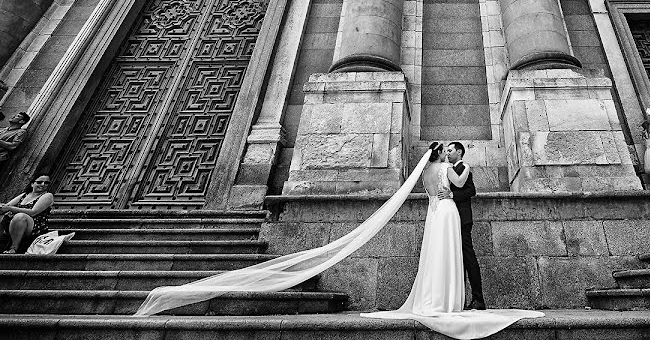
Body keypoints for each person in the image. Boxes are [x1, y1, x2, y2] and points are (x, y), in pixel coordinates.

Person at [134, 145, 543, 339]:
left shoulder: (427, 171)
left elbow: (441, 189)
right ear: (446, 153)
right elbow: (455, 186)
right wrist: (457, 171)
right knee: (445, 257)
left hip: (440, 214)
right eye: (450, 150)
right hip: (445, 212)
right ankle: (454, 300)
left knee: (440, 258)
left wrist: (448, 176)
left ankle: (450, 298)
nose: (453, 152)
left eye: (456, 151)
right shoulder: (455, 168)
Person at [438, 141, 485, 309]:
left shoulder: (464, 167)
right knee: (455, 259)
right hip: (450, 219)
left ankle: (478, 299)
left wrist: (451, 194)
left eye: (450, 150)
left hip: (462, 219)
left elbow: (471, 191)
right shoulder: (448, 169)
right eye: (447, 151)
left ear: (459, 151)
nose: (448, 153)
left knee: (468, 257)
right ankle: (460, 300)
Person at [0, 173, 53, 253]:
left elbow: (33, 212)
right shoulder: (24, 195)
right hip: (14, 225)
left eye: (46, 183)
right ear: (32, 184)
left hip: (35, 227)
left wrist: (10, 208)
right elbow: (6, 206)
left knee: (20, 216)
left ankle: (14, 247)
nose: (43, 184)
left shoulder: (47, 195)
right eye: (39, 182)